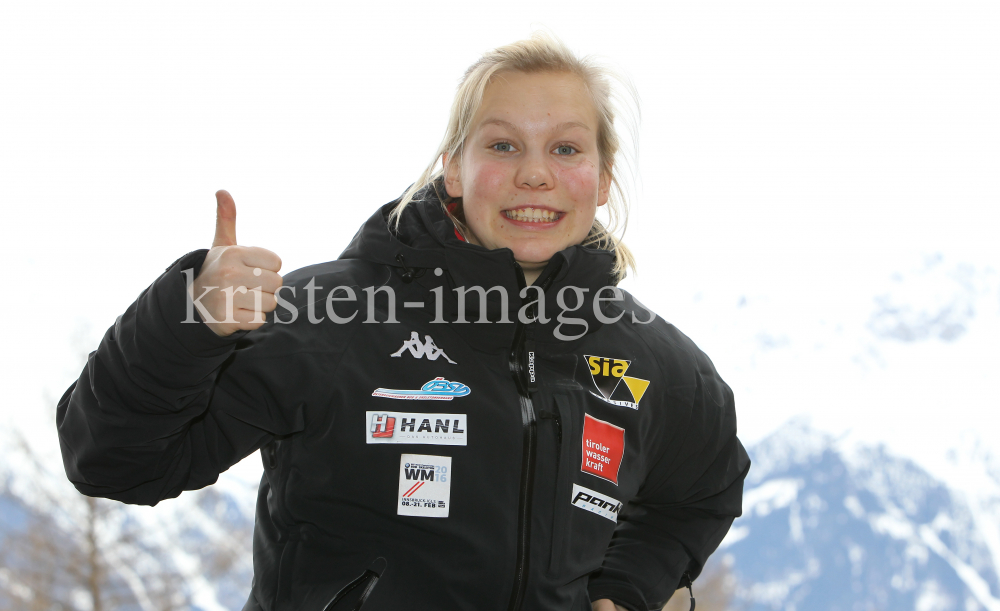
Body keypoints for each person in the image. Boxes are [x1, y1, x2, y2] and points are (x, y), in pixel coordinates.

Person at [57, 34, 749, 611]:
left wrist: (626, 589)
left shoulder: (657, 363)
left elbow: (703, 491)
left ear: (601, 178)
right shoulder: (329, 319)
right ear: (452, 169)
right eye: (503, 146)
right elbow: (114, 459)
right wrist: (187, 318)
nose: (534, 174)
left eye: (566, 149)